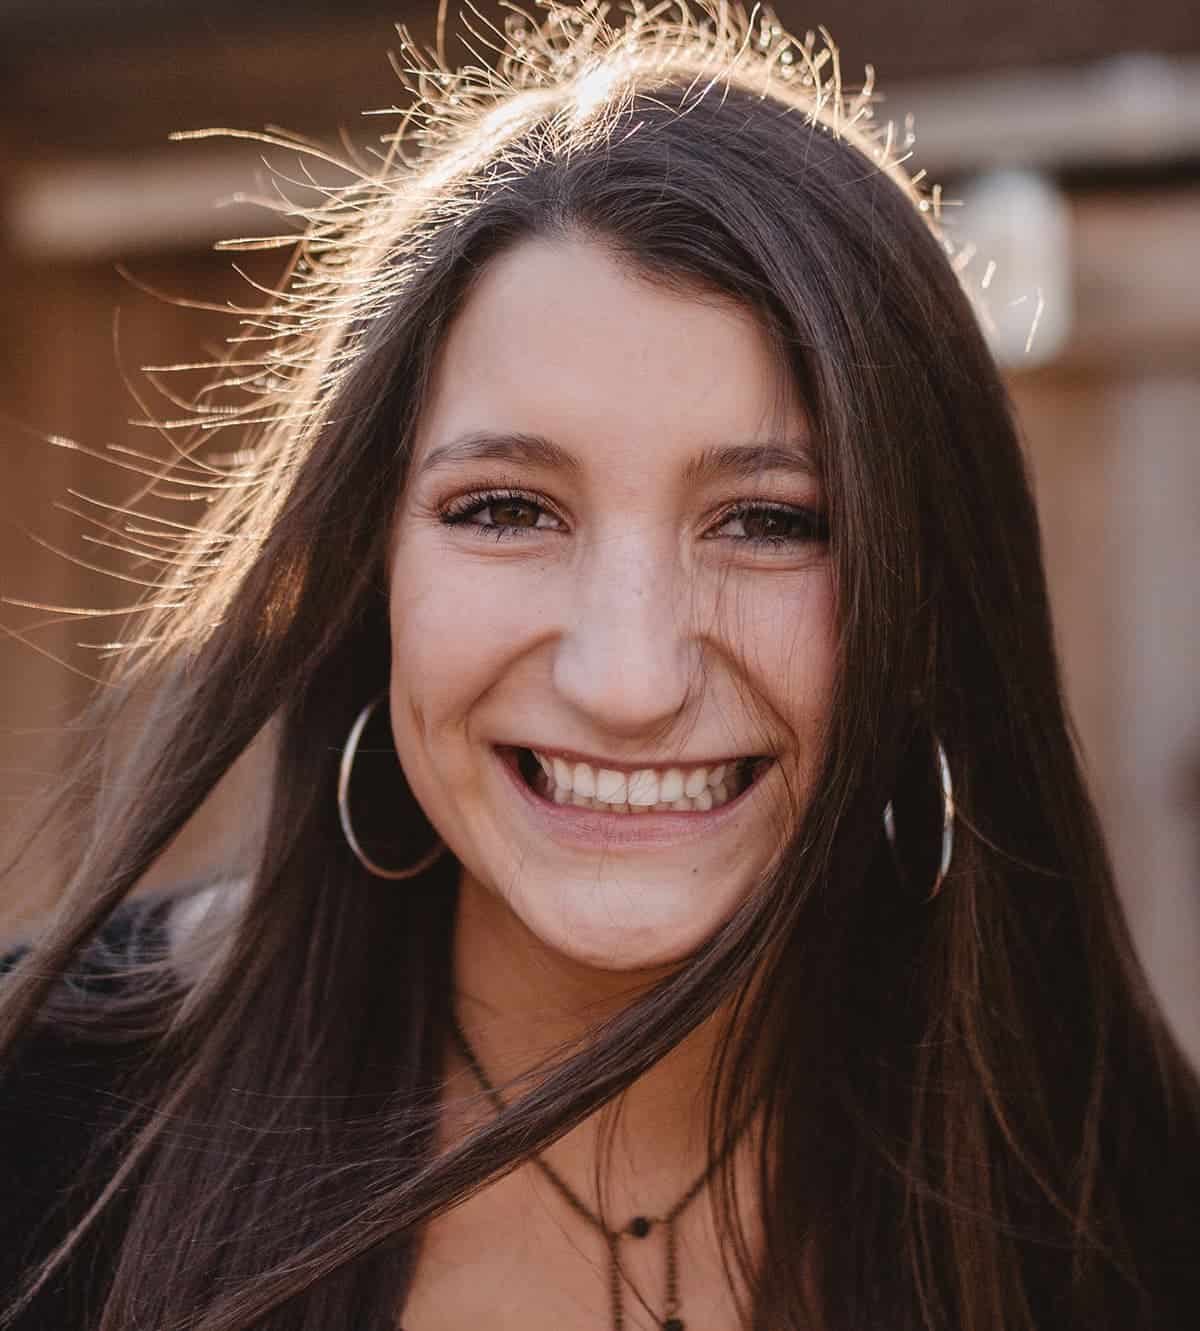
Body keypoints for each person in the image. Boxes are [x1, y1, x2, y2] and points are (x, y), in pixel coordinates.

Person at [1, 2, 1197, 1329]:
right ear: (366, 571)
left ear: (930, 601)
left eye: (771, 522)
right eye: (507, 509)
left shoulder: (1118, 1210)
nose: (628, 683)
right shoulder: (36, 1131)